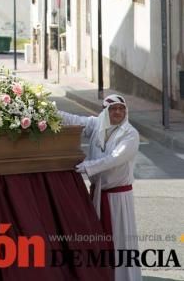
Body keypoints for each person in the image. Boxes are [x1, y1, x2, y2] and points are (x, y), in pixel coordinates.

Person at [60, 94, 141, 281]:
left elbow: (115, 158)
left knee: (119, 240)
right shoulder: (97, 124)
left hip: (118, 198)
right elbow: (72, 119)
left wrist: (88, 166)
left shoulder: (130, 134)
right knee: (98, 238)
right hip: (98, 194)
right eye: (113, 109)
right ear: (105, 111)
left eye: (121, 109)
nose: (118, 112)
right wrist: (44, 109)